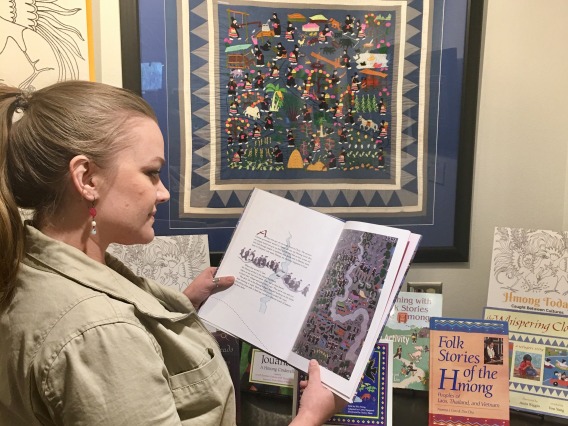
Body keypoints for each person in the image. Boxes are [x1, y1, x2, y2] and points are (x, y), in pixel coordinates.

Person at [0, 81, 346, 425]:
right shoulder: (101, 333)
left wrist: (184, 302)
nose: (163, 193)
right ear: (87, 179)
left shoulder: (29, 265)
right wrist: (312, 416)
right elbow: (105, 342)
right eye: (151, 173)